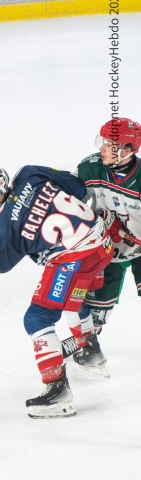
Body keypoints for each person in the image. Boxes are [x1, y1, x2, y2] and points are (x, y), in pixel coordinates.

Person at [0, 163, 113, 418]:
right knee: (72, 297)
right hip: (102, 242)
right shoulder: (30, 173)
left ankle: (57, 392)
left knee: (37, 318)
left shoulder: (3, 228)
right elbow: (78, 189)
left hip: (76, 256)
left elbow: (0, 264)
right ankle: (90, 351)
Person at [75, 117, 141, 374]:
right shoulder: (90, 168)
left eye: (109, 144)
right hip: (106, 251)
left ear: (127, 150)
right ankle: (88, 353)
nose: (101, 148)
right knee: (94, 318)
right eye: (101, 142)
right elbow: (68, 200)